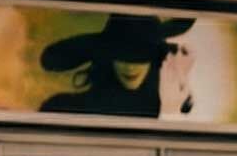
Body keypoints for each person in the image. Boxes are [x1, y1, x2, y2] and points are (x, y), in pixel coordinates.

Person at [39, 14, 195, 118]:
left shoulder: (168, 105)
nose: (130, 66)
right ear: (107, 58)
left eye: (141, 57)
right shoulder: (66, 108)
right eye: (121, 55)